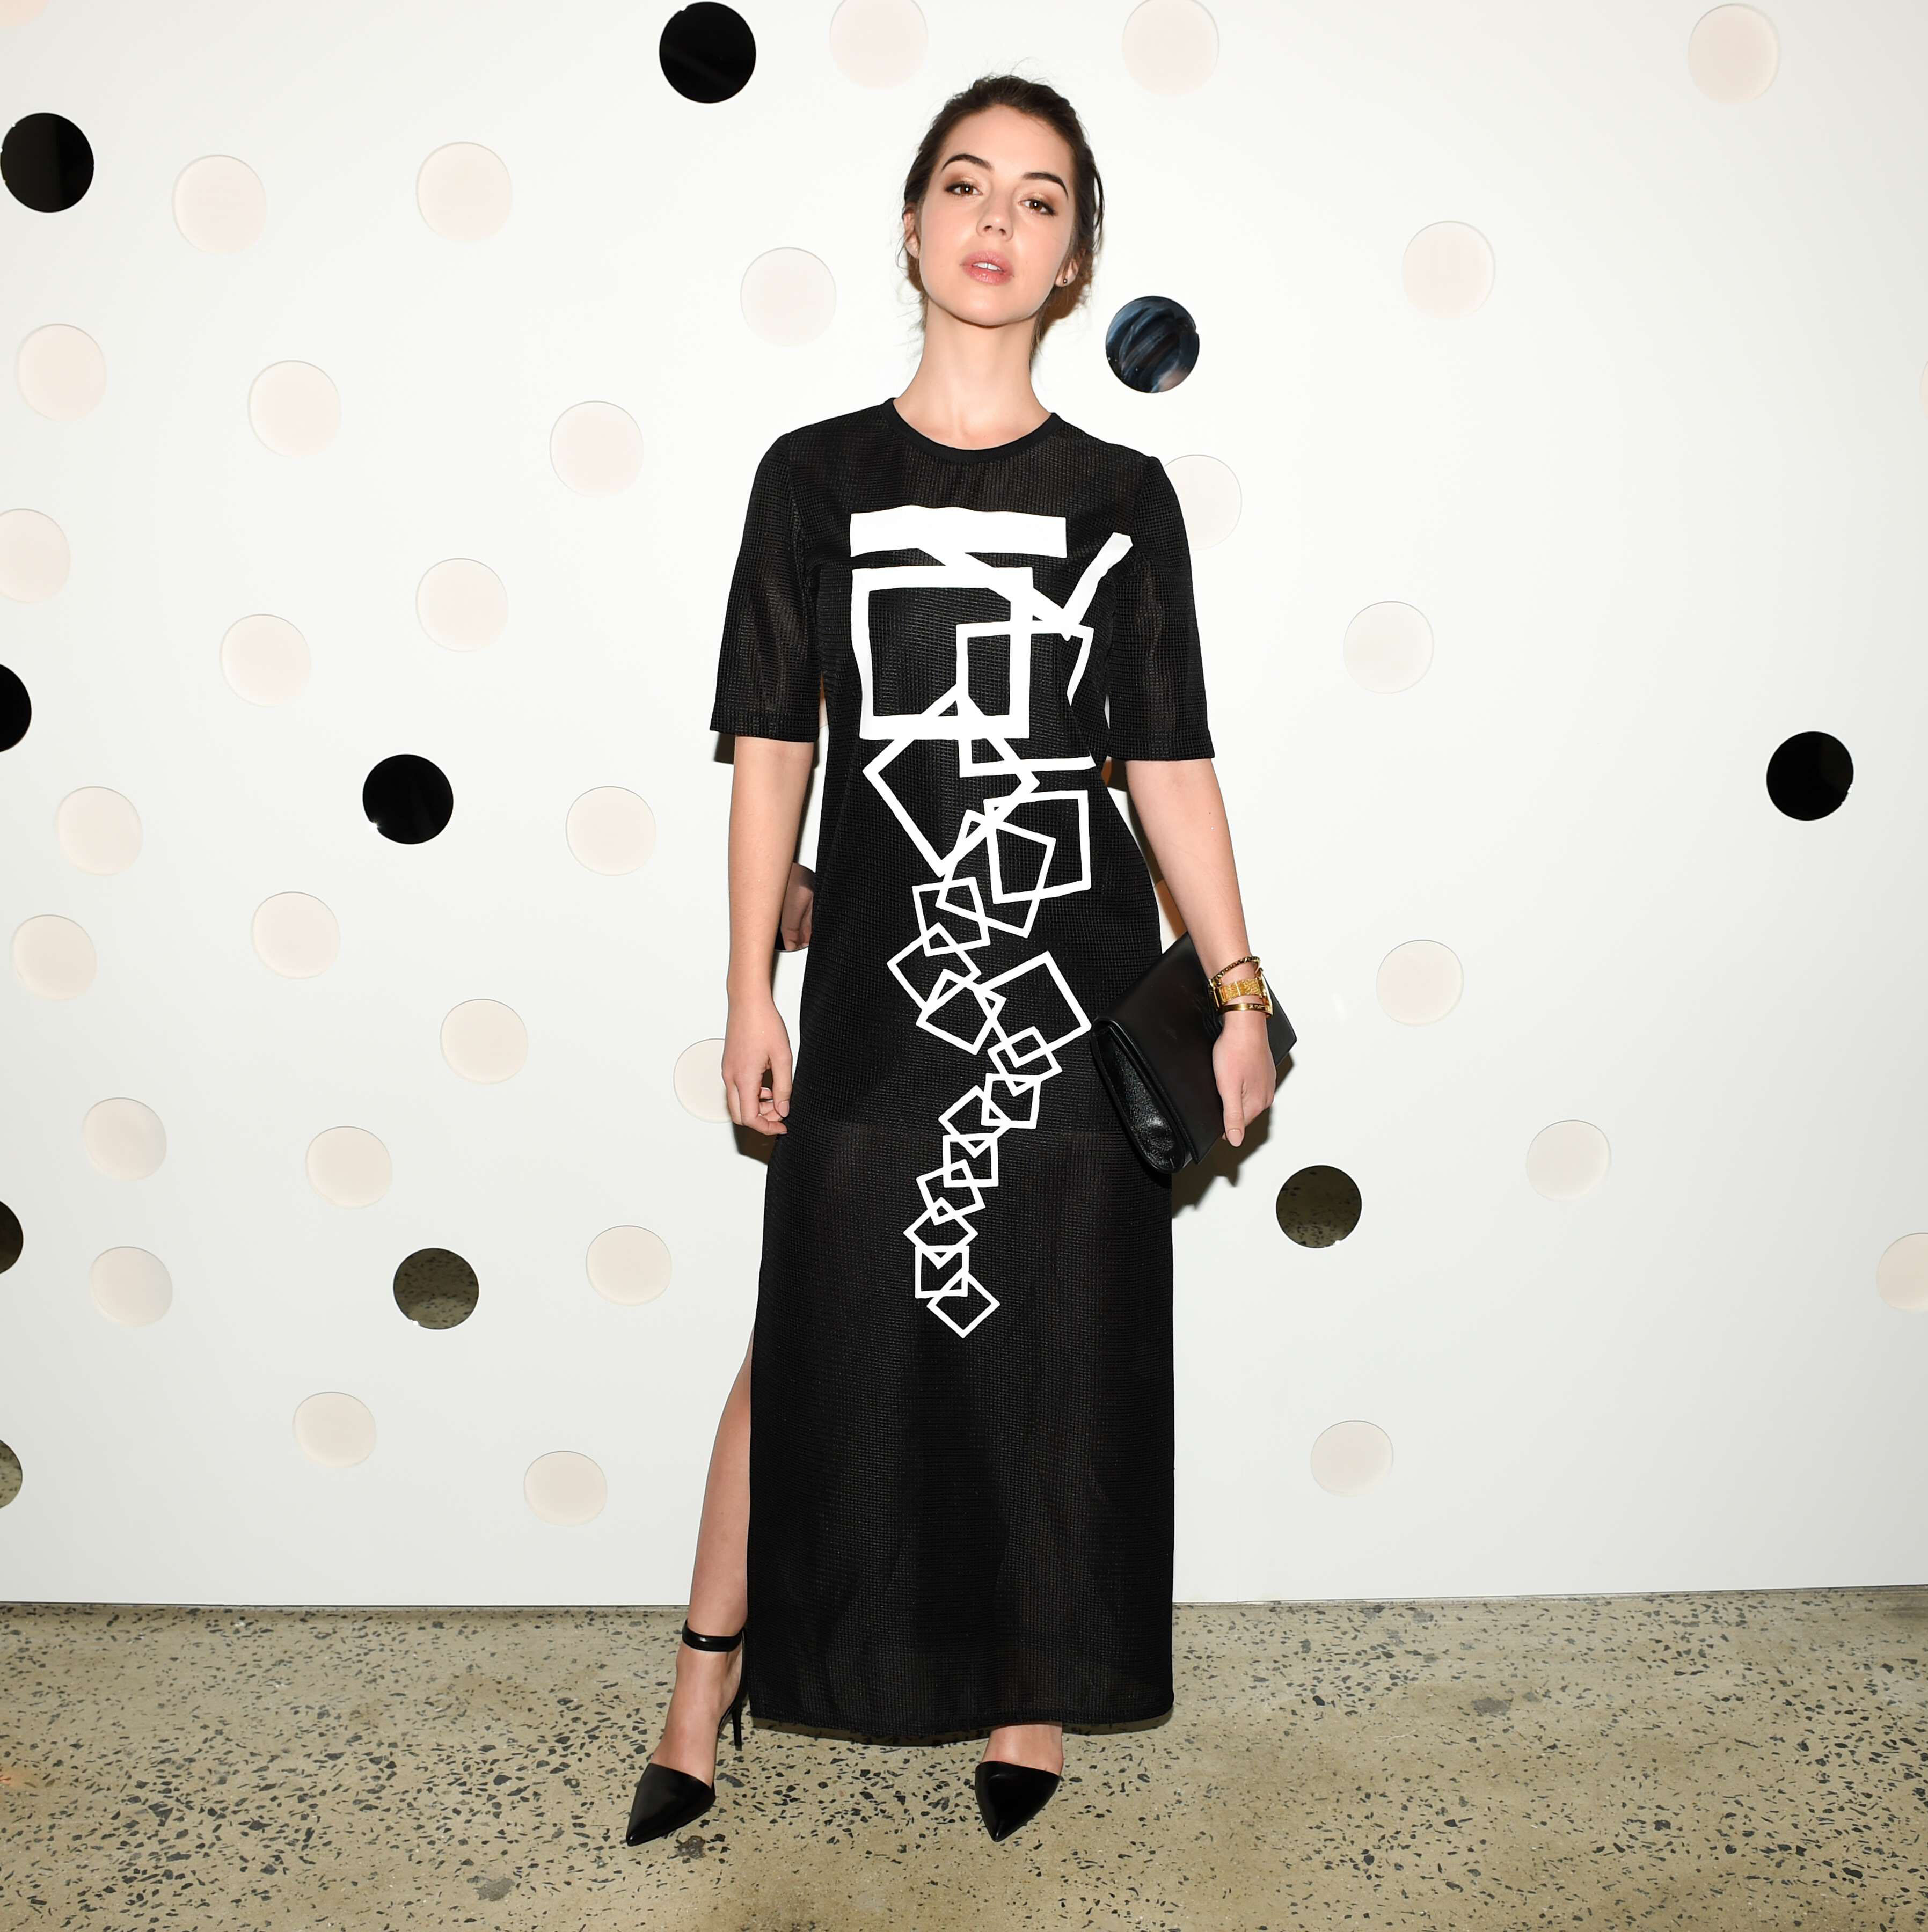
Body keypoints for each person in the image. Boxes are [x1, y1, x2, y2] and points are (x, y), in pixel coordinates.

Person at [626, 71, 1276, 1850]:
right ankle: (704, 1676)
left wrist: (1235, 993)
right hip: (876, 984)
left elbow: (1169, 765)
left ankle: (1026, 1685)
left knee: (1052, 1333)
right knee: (810, 1330)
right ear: (912, 228)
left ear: (1073, 262)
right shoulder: (813, 477)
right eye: (969, 187)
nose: (999, 221)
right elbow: (775, 744)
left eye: (1041, 199)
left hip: (1073, 982)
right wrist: (748, 986)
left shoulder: (1123, 495)